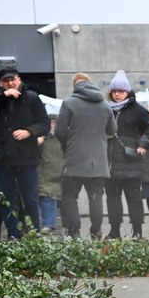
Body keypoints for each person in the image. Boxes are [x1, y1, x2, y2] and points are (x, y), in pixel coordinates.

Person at [0, 66, 49, 239]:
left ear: (19, 79)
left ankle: (34, 233)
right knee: (6, 200)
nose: (10, 83)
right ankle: (14, 234)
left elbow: (45, 123)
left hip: (27, 156)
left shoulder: (32, 98)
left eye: (13, 79)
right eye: (6, 81)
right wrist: (2, 96)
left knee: (30, 199)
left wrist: (29, 131)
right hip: (2, 158)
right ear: (0, 83)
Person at [55, 72, 117, 239]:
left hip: (74, 160)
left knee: (69, 197)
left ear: (75, 85)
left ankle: (74, 232)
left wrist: (69, 144)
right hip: (98, 163)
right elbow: (112, 131)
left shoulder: (69, 103)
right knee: (96, 198)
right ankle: (95, 231)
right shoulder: (105, 105)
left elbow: (59, 131)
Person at [104, 70, 149, 239]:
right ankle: (114, 230)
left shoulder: (138, 110)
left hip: (131, 161)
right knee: (113, 199)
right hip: (110, 163)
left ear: (127, 92)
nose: (117, 95)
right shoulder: (106, 109)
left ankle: (137, 231)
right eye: (114, 91)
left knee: (134, 199)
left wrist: (143, 144)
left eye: (120, 91)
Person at [37, 115, 63, 234]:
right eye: (50, 123)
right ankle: (47, 224)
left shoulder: (63, 136)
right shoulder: (42, 138)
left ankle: (66, 224)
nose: (52, 125)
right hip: (45, 171)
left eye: (55, 123)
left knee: (63, 199)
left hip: (62, 171)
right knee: (47, 197)